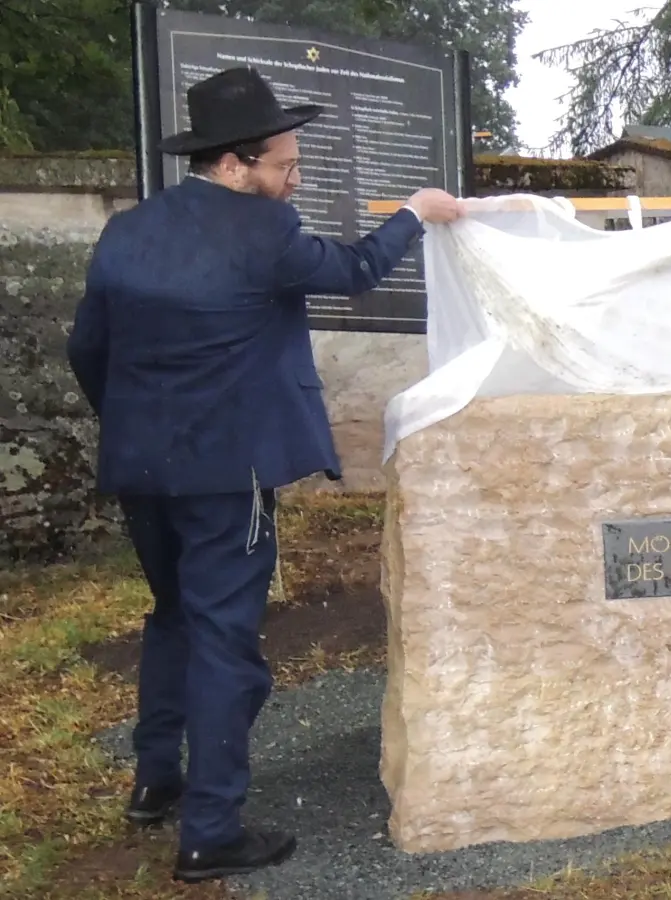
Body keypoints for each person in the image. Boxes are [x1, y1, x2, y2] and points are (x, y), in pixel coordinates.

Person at [65, 67, 462, 882]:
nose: (295, 179)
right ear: (233, 162)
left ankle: (156, 779)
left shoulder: (127, 231)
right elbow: (355, 270)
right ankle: (211, 830)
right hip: (229, 475)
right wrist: (415, 214)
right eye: (285, 164)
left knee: (173, 616)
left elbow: (87, 349)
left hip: (142, 466)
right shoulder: (263, 231)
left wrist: (136, 426)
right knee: (224, 641)